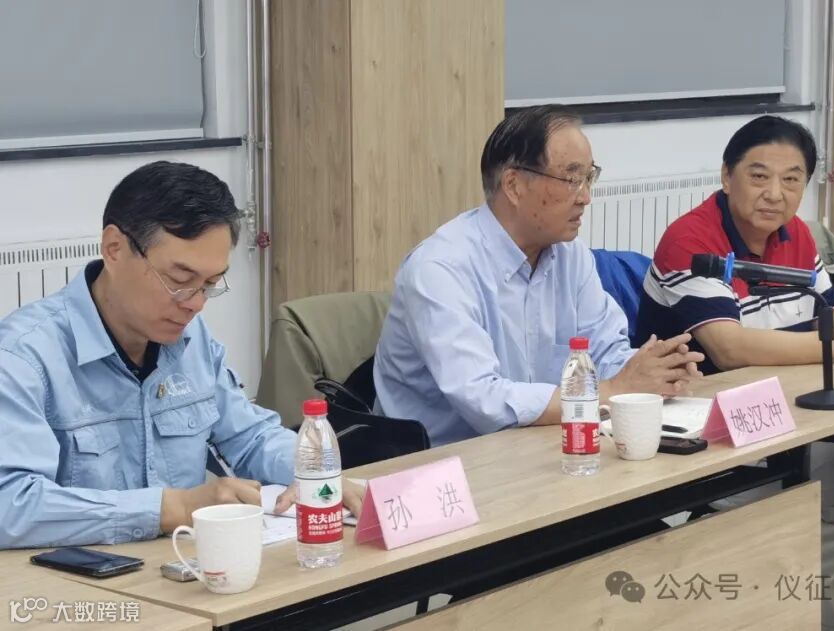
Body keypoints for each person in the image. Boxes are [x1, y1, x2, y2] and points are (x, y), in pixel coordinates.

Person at [0, 161, 361, 550]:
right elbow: (10, 504)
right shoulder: (24, 357)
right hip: (73, 581)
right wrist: (171, 508)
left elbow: (249, 435)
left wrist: (312, 471)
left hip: (183, 566)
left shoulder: (190, 338)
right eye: (179, 281)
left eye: (210, 284)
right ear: (114, 249)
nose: (195, 304)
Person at [374, 105, 704, 446]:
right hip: (441, 461)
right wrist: (612, 390)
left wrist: (654, 370)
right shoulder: (440, 269)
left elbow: (605, 352)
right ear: (514, 185)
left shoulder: (570, 256)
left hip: (539, 445)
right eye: (572, 179)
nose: (586, 197)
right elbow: (484, 400)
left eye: (589, 177)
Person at [636, 116, 834, 374]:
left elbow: (832, 316)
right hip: (696, 395)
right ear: (727, 177)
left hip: (781, 387)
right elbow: (729, 350)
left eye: (790, 180)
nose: (774, 195)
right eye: (759, 177)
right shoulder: (689, 241)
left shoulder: (795, 231)